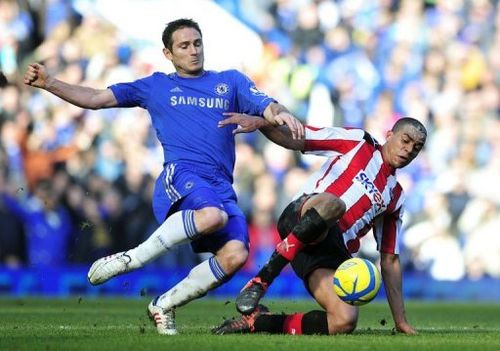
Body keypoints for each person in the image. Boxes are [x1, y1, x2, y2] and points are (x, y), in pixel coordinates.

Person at [23, 18, 304, 335]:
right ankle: (133, 258)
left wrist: (278, 113)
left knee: (236, 254)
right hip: (181, 176)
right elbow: (97, 98)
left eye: (197, 43)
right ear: (168, 53)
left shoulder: (231, 81)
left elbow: (266, 104)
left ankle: (164, 305)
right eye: (184, 45)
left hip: (221, 187)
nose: (193, 51)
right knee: (213, 216)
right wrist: (50, 83)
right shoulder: (156, 86)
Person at [212, 113, 426, 336]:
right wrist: (261, 124)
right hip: (304, 215)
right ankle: (262, 279)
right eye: (406, 140)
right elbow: (299, 138)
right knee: (335, 205)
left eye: (417, 147)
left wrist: (400, 320)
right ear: (389, 134)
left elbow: (390, 259)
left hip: (329, 251)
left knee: (344, 320)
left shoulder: (396, 196)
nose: (409, 149)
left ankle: (258, 322)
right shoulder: (359, 142)